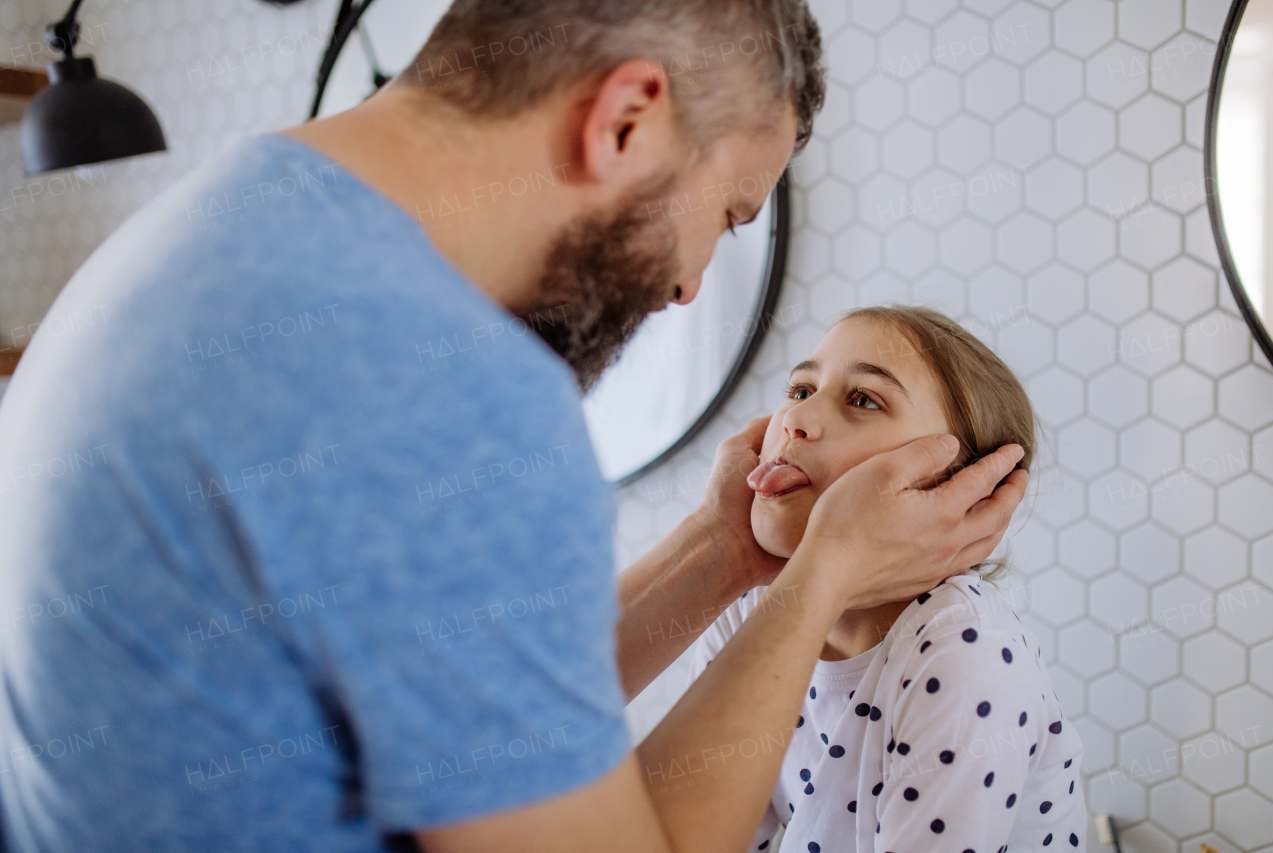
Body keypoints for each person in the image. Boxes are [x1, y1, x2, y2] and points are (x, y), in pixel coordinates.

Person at [0, 3, 1029, 852]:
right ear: (625, 118)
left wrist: (718, 557)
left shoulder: (199, 231)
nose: (686, 286)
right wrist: (819, 581)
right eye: (722, 216)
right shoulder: (440, 393)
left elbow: (451, 694)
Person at [689, 306, 1085, 853]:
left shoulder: (963, 648)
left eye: (863, 400)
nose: (794, 421)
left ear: (960, 489)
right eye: (801, 390)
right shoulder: (745, 608)